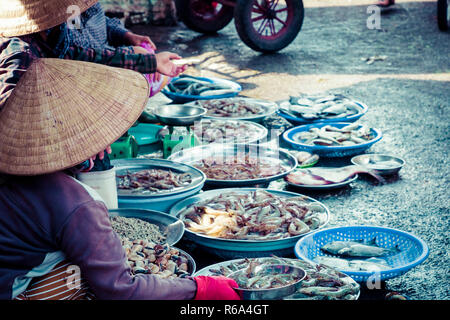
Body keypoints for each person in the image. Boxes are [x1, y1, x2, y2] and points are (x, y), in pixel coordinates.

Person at [0, 57, 241, 300]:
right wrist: (199, 288)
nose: (107, 146)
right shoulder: (75, 203)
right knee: (79, 278)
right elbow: (121, 290)